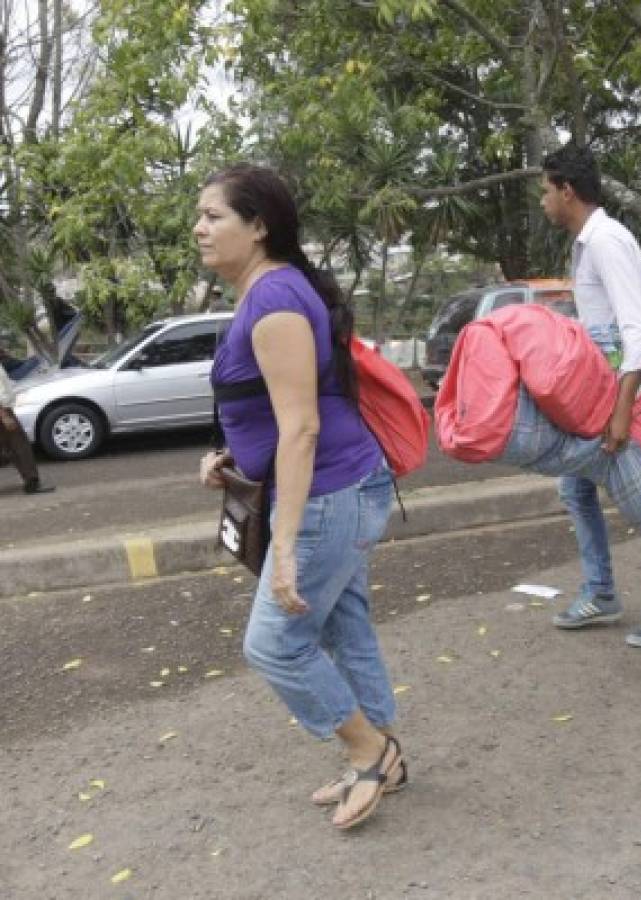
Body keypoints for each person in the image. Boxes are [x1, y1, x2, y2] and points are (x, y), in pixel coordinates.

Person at [196, 164, 404, 829]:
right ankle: (383, 758)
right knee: (344, 625)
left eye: (213, 216)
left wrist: (282, 548)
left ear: (258, 226)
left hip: (324, 494)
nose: (198, 229)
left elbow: (303, 426)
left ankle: (370, 752)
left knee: (274, 644)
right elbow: (278, 406)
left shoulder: (275, 302)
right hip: (338, 486)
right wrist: (235, 456)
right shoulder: (268, 293)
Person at [539, 143, 641, 648]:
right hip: (599, 382)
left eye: (546, 190)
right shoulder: (592, 240)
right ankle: (602, 591)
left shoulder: (606, 241)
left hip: (621, 385)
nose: (543, 201)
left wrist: (623, 409)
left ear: (567, 190)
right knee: (576, 487)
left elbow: (635, 330)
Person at [0, 366, 54, 494]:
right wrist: (4, 415)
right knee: (20, 446)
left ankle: (31, 481)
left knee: (12, 447)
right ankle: (32, 482)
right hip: (2, 411)